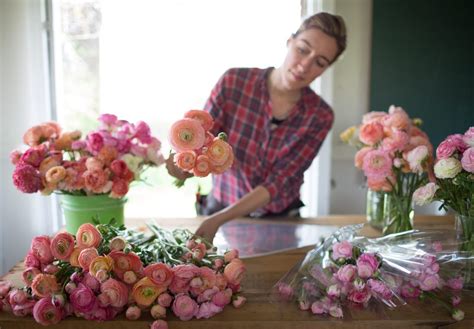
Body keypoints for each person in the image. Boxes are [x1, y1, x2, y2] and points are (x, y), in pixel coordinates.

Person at [166, 12, 347, 242]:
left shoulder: (319, 116)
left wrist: (220, 219)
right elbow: (201, 141)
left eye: (320, 62)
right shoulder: (234, 83)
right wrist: (180, 164)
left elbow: (280, 181)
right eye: (302, 49)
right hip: (219, 206)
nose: (305, 65)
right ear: (289, 42)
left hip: (279, 220)